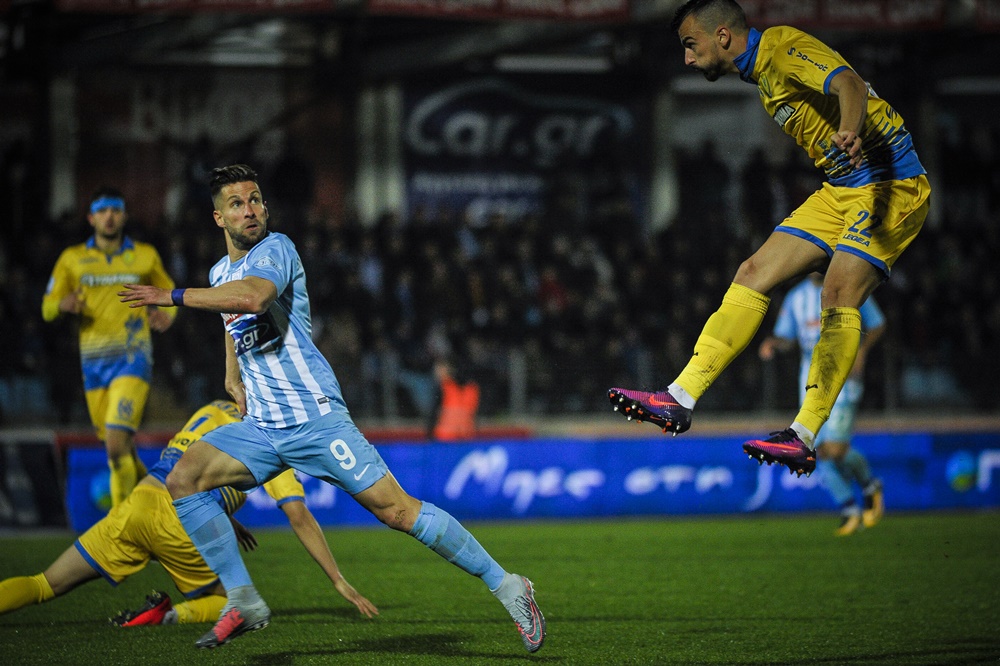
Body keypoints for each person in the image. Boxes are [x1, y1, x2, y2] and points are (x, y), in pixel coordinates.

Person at [118, 165, 545, 652]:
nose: (250, 209)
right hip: (263, 427)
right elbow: (230, 317)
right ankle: (244, 600)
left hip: (315, 418)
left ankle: (509, 584)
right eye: (237, 203)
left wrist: (171, 296)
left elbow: (254, 300)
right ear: (219, 217)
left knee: (398, 512)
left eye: (256, 199)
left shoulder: (275, 250)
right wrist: (232, 375)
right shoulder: (219, 274)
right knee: (183, 479)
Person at [609, 0, 930, 478]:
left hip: (891, 183)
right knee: (753, 272)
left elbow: (846, 82)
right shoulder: (762, 77)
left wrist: (848, 129)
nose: (688, 59)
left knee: (838, 292)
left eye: (690, 45)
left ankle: (802, 435)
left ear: (722, 36)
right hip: (842, 190)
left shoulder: (781, 47)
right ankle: (679, 398)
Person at [0, 400, 378, 624]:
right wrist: (337, 579)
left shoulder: (212, 407)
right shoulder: (271, 437)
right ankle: (164, 614)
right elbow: (298, 515)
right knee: (233, 602)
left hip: (139, 501)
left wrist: (228, 516)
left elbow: (190, 468)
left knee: (43, 583)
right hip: (177, 522)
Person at [41, 187, 177, 507]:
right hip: (93, 365)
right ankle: (160, 509)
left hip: (133, 357)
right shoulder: (72, 259)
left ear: (124, 215)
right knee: (122, 449)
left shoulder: (145, 255)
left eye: (115, 210)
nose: (109, 217)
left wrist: (167, 315)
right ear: (91, 218)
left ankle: (118, 531)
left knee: (115, 446)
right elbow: (46, 308)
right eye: (102, 211)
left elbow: (168, 291)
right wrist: (63, 303)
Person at [758, 273, 886, 535]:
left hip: (843, 381)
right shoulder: (796, 297)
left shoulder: (851, 286)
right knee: (816, 451)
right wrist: (774, 342)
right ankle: (849, 509)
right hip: (810, 386)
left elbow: (878, 324)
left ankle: (870, 485)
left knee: (835, 450)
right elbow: (788, 337)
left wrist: (861, 350)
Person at [429, 358, 480, 441]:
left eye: (440, 369)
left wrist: (429, 437)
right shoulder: (472, 388)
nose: (437, 373)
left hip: (450, 438)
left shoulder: (444, 387)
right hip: (460, 437)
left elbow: (434, 414)